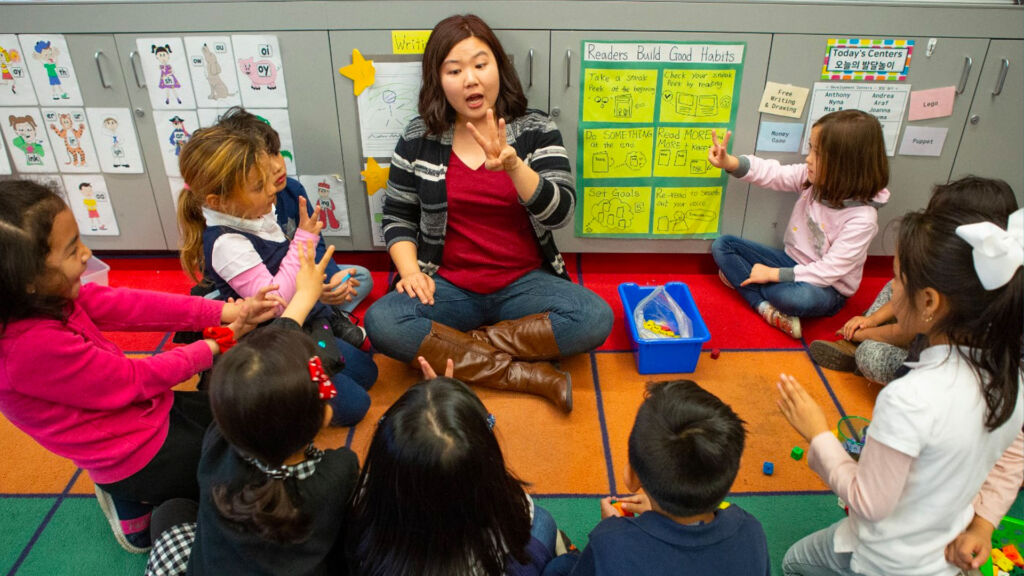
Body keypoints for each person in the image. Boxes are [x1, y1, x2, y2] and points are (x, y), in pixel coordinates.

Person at [0, 180, 276, 553]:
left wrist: (227, 311)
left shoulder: (53, 295)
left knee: (244, 427)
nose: (86, 254)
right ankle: (129, 498)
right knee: (244, 476)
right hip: (130, 452)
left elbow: (132, 306)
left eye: (79, 240)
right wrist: (216, 343)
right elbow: (134, 379)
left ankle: (139, 492)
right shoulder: (26, 348)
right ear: (25, 279)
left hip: (149, 411)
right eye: (70, 250)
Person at [364, 14, 613, 412]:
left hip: (523, 286)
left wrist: (515, 167)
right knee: (382, 322)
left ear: (500, 67)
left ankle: (457, 347)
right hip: (447, 286)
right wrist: (411, 273)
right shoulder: (418, 136)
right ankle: (526, 374)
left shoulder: (536, 129)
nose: (470, 80)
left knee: (594, 317)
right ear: (437, 79)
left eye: (481, 64)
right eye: (455, 69)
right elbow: (396, 214)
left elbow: (560, 213)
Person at [777, 205, 1023, 575]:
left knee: (793, 562)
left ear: (929, 302)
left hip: (883, 560)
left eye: (896, 279)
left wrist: (817, 433)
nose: (891, 289)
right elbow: (1013, 456)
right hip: (945, 553)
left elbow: (868, 502)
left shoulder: (910, 397)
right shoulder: (1010, 378)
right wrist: (982, 523)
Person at [145, 243, 360, 576]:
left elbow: (264, 368)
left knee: (170, 511)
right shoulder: (340, 470)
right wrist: (305, 297)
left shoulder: (217, 445)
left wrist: (302, 298)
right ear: (326, 414)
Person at [176, 125, 377, 426]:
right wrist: (303, 241)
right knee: (355, 406)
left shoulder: (253, 211)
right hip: (273, 342)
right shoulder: (226, 243)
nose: (272, 189)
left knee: (368, 372)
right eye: (259, 186)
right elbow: (277, 303)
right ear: (218, 201)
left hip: (302, 321)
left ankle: (327, 332)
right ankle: (268, 397)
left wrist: (310, 261)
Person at [347, 370, 560, 576]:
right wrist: (454, 413)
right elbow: (520, 513)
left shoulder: (363, 495)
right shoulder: (498, 514)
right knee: (543, 522)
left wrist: (435, 406)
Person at [809, 176, 1020, 383]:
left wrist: (861, 335)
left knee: (871, 353)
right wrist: (871, 321)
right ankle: (861, 340)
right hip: (926, 330)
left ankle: (857, 347)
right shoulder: (985, 267)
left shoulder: (966, 293)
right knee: (896, 287)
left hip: (934, 361)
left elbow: (907, 331)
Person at [546, 380, 769, 576]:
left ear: (632, 477)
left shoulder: (609, 541)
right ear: (736, 468)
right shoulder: (750, 529)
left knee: (560, 567)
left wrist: (612, 528)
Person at [709, 110, 890, 339]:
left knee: (795, 298)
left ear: (846, 165)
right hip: (791, 262)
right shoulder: (811, 179)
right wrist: (731, 162)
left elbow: (829, 271)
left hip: (826, 288)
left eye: (818, 153)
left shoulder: (862, 219)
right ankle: (764, 307)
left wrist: (772, 274)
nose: (808, 158)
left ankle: (750, 285)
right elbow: (774, 174)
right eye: (812, 148)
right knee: (723, 246)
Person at [214, 105, 371, 346]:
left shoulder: (293, 191)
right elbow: (272, 293)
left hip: (299, 277)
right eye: (266, 163)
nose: (277, 166)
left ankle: (326, 307)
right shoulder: (234, 228)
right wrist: (317, 291)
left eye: (277, 153)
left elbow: (317, 247)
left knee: (360, 277)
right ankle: (322, 310)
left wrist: (328, 280)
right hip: (273, 291)